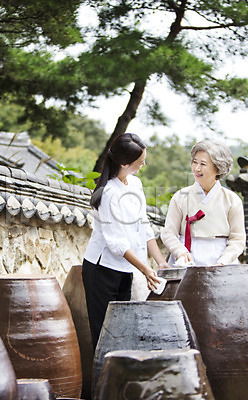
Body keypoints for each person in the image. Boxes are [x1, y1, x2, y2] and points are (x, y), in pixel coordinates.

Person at [82, 133, 169, 349]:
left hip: (124, 269)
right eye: (140, 162)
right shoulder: (109, 193)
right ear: (124, 163)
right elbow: (116, 243)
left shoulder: (135, 184)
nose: (144, 164)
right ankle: (102, 381)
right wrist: (145, 270)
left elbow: (144, 225)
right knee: (104, 334)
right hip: (101, 270)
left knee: (122, 331)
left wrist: (161, 263)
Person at [161, 139, 245, 266]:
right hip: (187, 260)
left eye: (203, 164)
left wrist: (223, 262)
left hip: (221, 261)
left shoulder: (232, 200)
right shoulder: (180, 197)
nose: (196, 168)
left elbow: (237, 239)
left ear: (218, 168)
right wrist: (180, 252)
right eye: (195, 162)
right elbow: (169, 233)